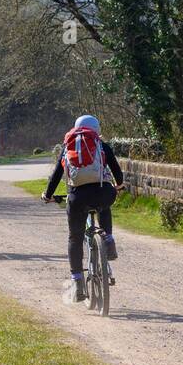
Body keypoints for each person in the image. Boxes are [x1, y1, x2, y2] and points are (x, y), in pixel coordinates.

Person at [41, 114, 124, 302]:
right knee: (104, 206)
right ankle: (109, 241)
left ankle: (77, 282)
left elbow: (56, 175)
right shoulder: (101, 145)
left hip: (77, 197)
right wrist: (118, 186)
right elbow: (116, 170)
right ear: (97, 129)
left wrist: (47, 195)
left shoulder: (68, 147)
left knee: (75, 237)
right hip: (103, 193)